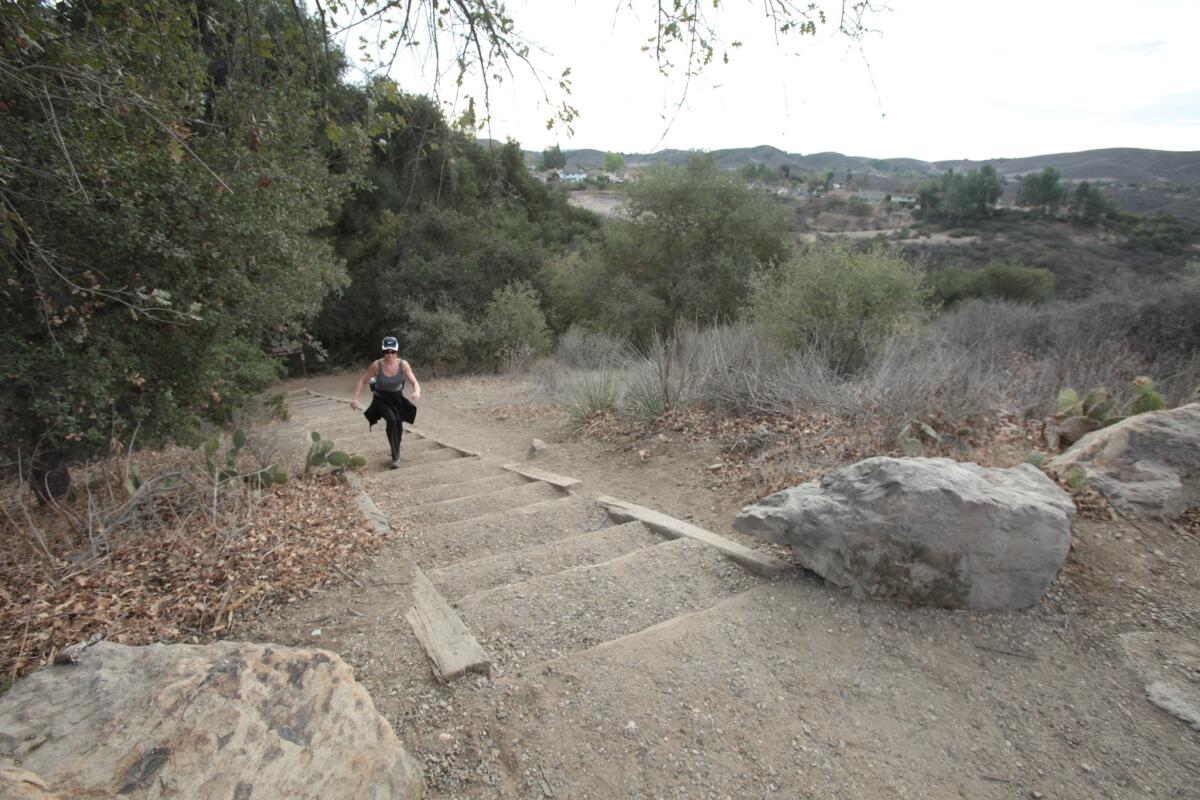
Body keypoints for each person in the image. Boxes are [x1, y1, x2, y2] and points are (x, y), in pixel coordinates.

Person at [350, 336, 421, 468]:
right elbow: (363, 381)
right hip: (381, 399)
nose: (389, 355)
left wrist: (416, 392)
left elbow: (414, 382)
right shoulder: (376, 365)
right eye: (386, 352)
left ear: (397, 351)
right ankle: (396, 458)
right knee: (392, 420)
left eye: (392, 352)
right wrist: (355, 399)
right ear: (383, 352)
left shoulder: (403, 365)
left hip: (397, 398)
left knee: (398, 424)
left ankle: (395, 447)